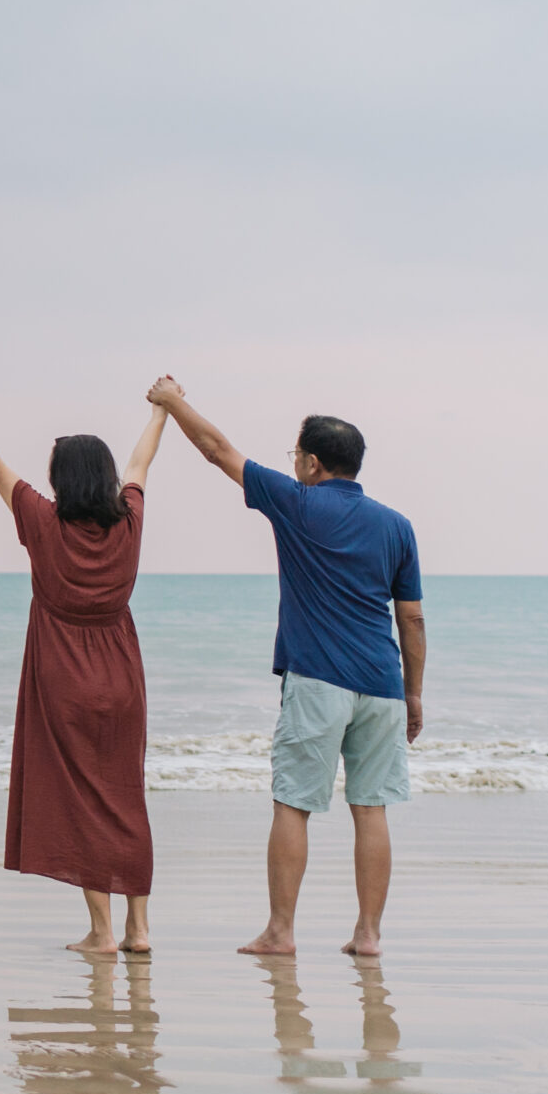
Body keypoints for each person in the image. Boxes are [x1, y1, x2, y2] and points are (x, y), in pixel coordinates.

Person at [148, 377, 426, 958]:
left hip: (319, 680)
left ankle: (280, 932)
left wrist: (171, 402)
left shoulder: (297, 502)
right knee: (371, 808)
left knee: (294, 803)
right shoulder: (398, 526)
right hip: (383, 686)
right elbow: (412, 619)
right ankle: (368, 935)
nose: (293, 463)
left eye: (296, 454)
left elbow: (218, 450)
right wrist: (414, 694)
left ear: (313, 463)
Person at [0, 374, 168, 954]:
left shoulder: (44, 522)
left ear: (61, 480)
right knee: (126, 794)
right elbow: (141, 463)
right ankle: (139, 928)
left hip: (64, 677)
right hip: (122, 676)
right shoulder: (129, 519)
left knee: (83, 799)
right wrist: (160, 414)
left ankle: (102, 931)